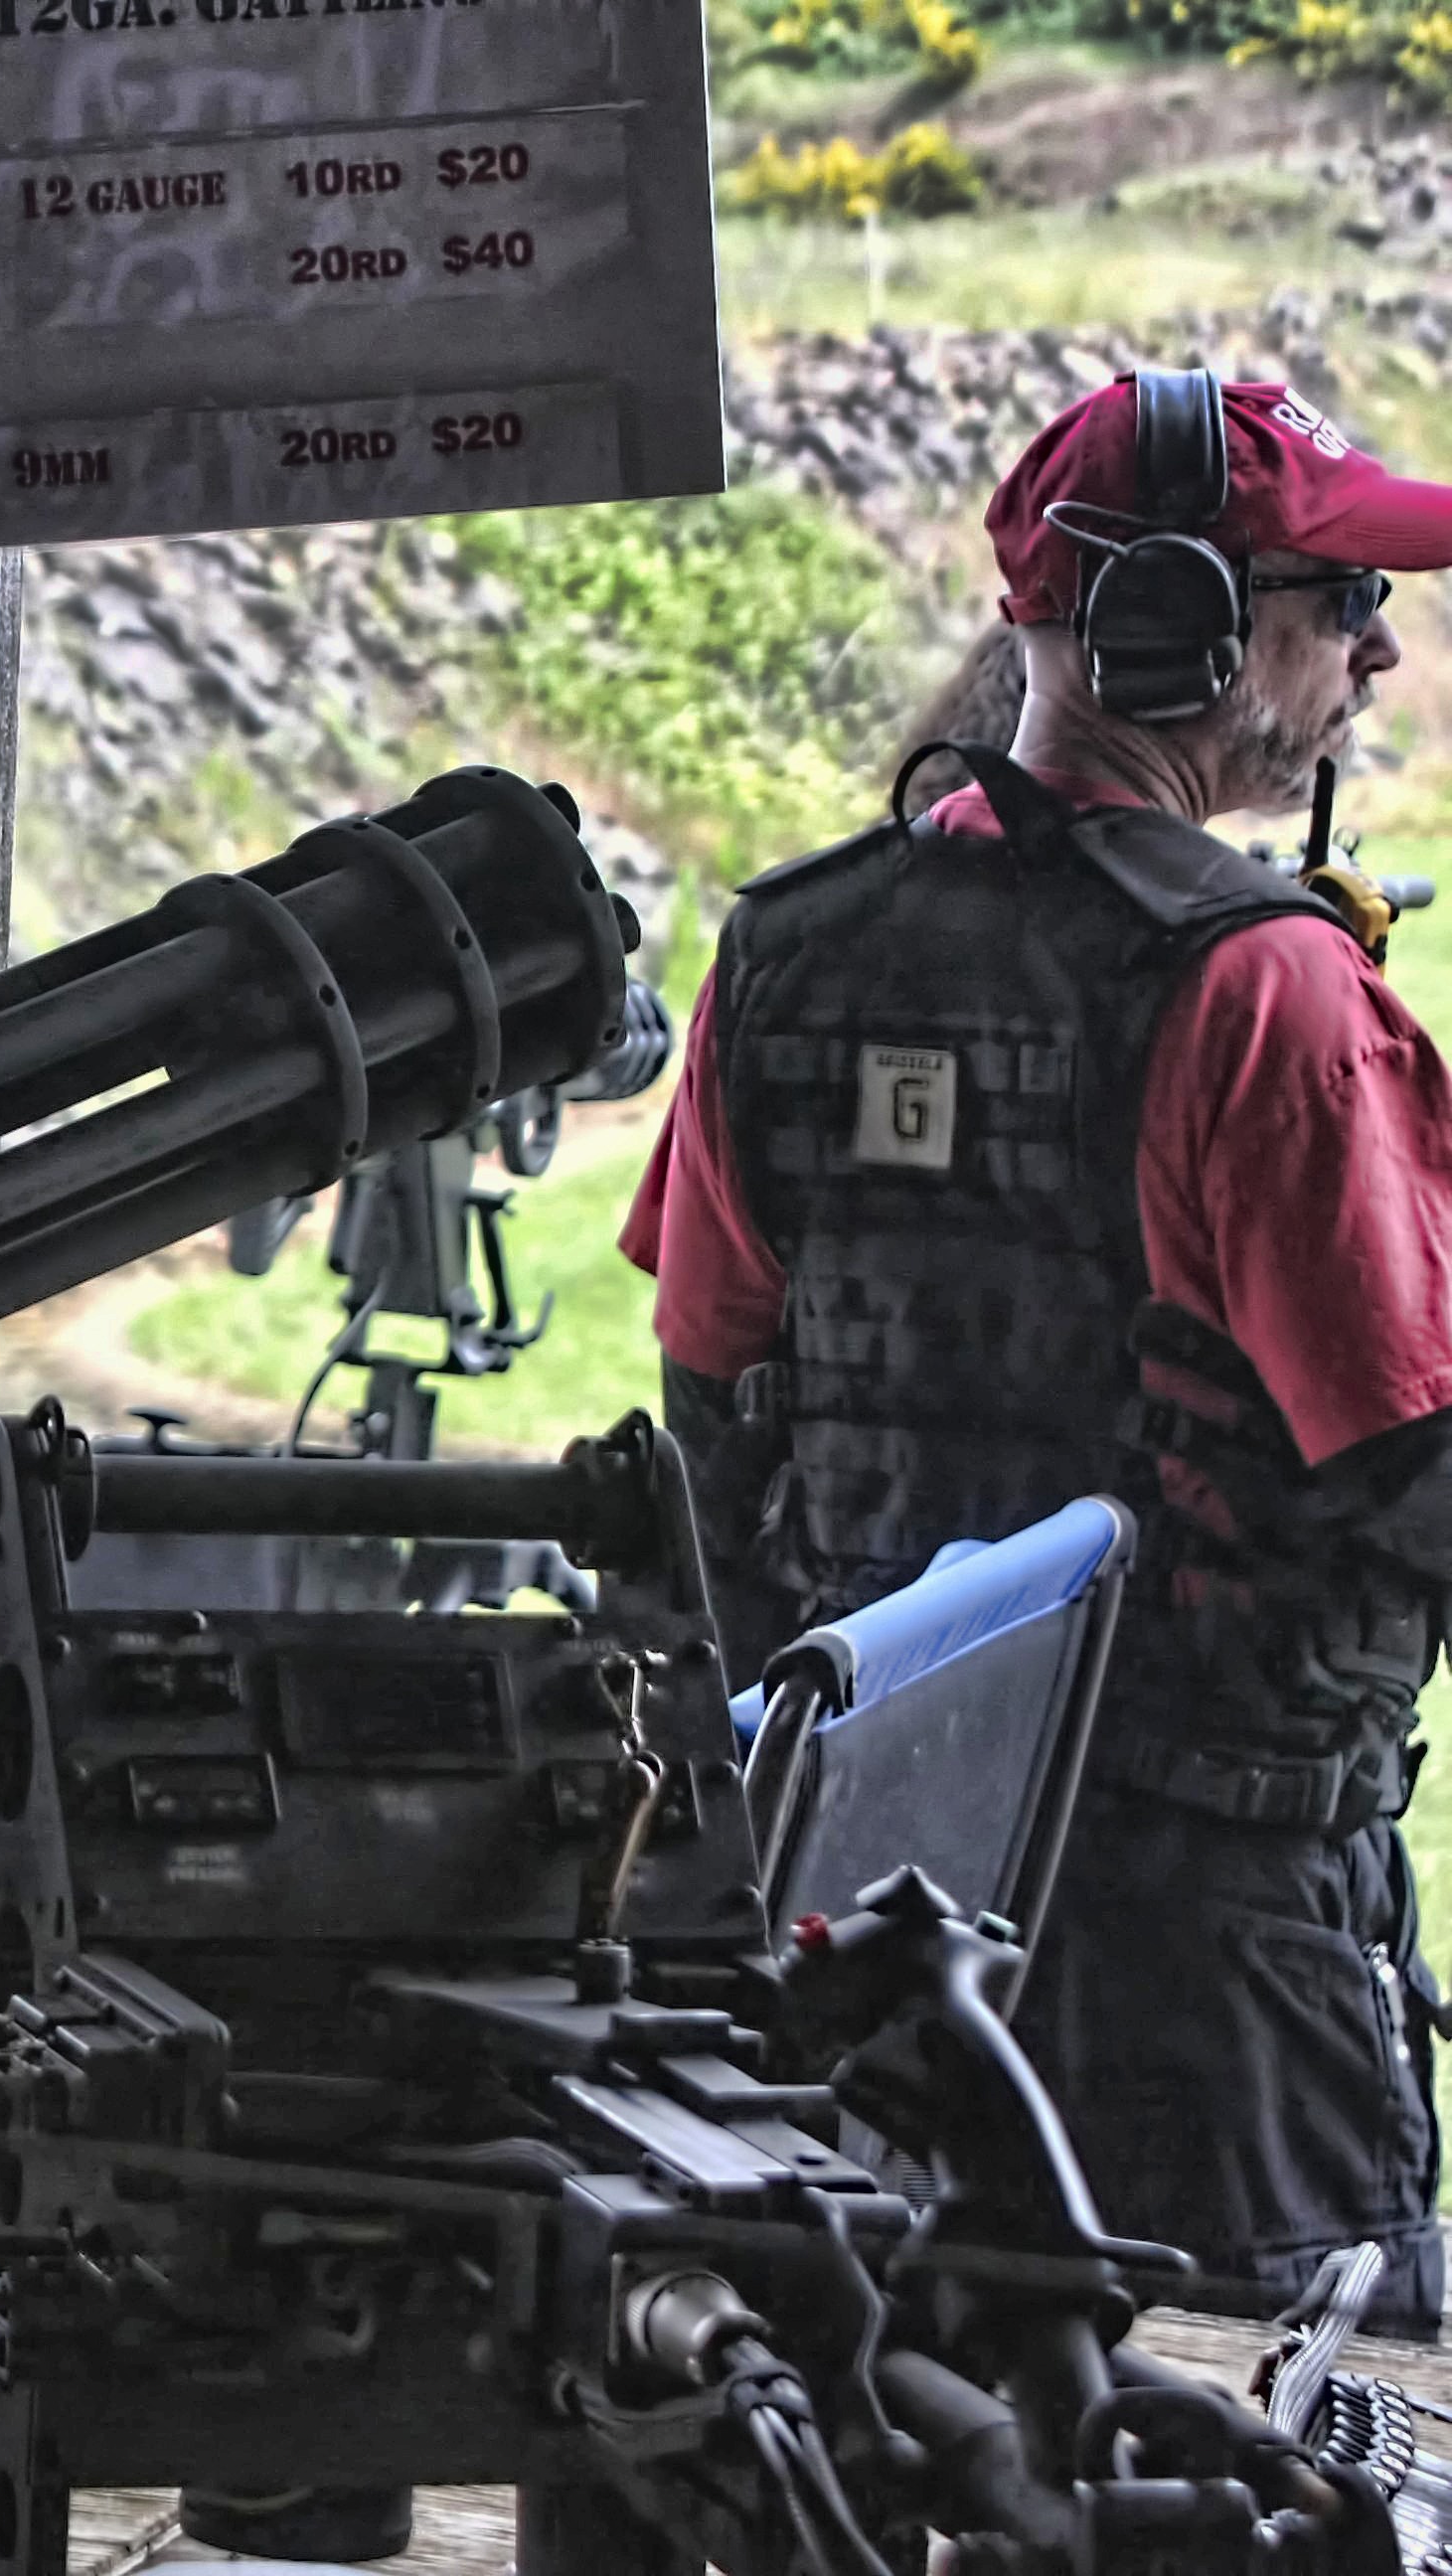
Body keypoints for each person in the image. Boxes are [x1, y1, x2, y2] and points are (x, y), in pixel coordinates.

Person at [624, 368, 1452, 2330]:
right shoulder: (1272, 1002)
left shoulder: (785, 954)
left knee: (886, 2422)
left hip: (862, 1932)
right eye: (1340, 600)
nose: (1380, 649)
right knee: (1270, 2437)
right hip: (1214, 1962)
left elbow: (708, 1425)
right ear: (1183, 625)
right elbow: (1415, 1478)